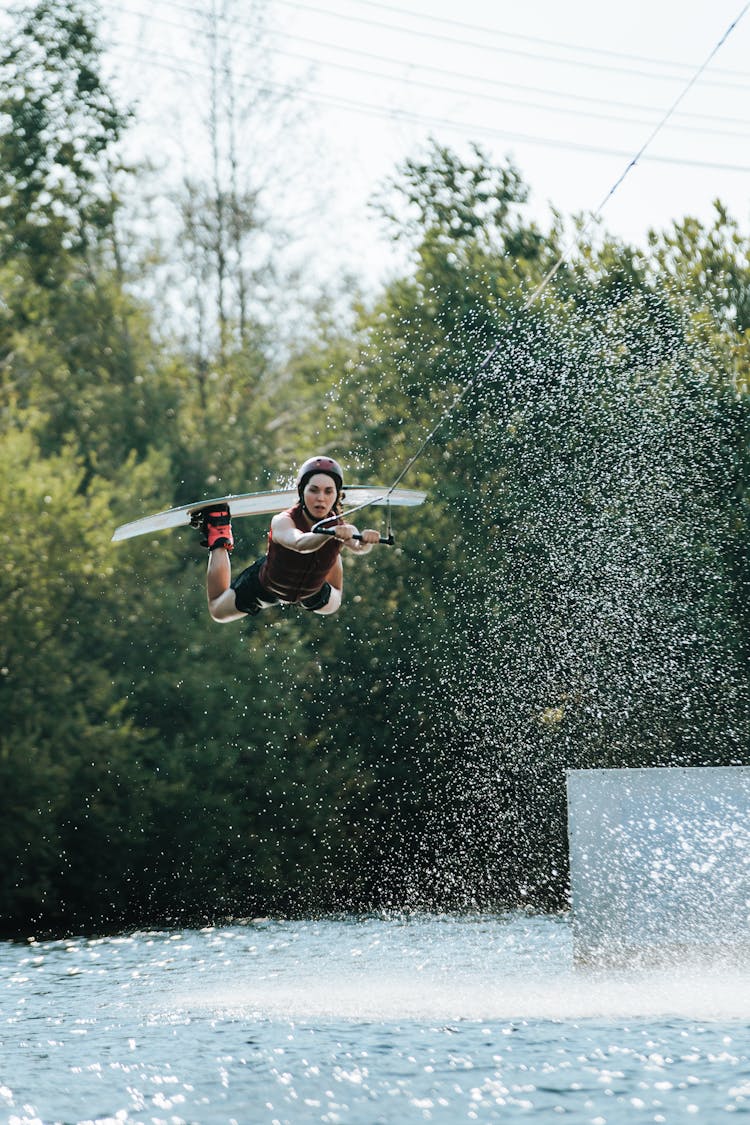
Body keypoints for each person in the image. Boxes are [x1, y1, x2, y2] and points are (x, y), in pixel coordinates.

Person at [194, 456, 381, 622]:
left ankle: (331, 549)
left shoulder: (341, 525)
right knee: (218, 611)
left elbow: (358, 547)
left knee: (335, 602)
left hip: (311, 592)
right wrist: (327, 535)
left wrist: (365, 541)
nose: (320, 499)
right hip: (268, 586)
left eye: (328, 492)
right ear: (301, 491)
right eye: (313, 490)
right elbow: (299, 544)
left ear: (337, 495)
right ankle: (218, 529)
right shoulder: (283, 521)